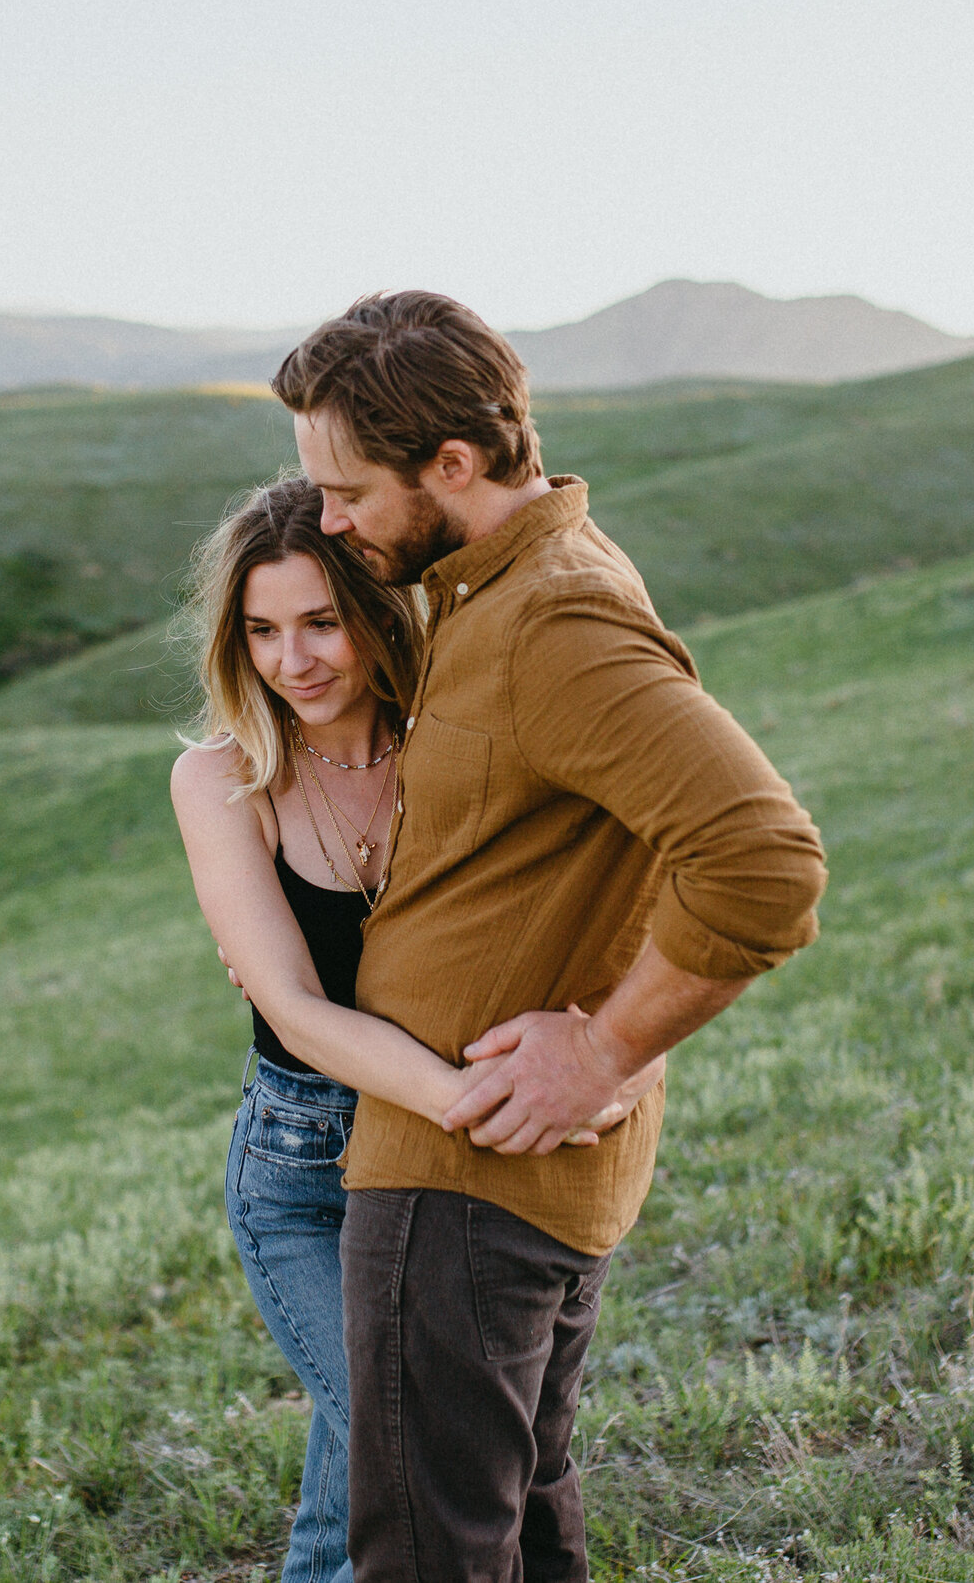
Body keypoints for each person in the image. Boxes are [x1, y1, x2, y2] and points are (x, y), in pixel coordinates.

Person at [273, 291, 828, 1583]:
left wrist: (606, 1044)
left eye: (349, 490)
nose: (332, 521)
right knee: (516, 1527)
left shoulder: (552, 622)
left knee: (429, 1551)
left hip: (466, 1180)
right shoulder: (507, 582)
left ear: (453, 467)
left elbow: (764, 861)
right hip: (494, 1175)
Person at [166, 477, 641, 1583]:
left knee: (378, 1466)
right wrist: (476, 1105)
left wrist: (613, 1047)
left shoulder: (450, 743)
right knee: (402, 1445)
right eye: (262, 630)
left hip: (437, 1164)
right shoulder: (218, 778)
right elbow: (293, 1005)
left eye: (320, 620)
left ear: (374, 611)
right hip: (308, 1166)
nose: (295, 660)